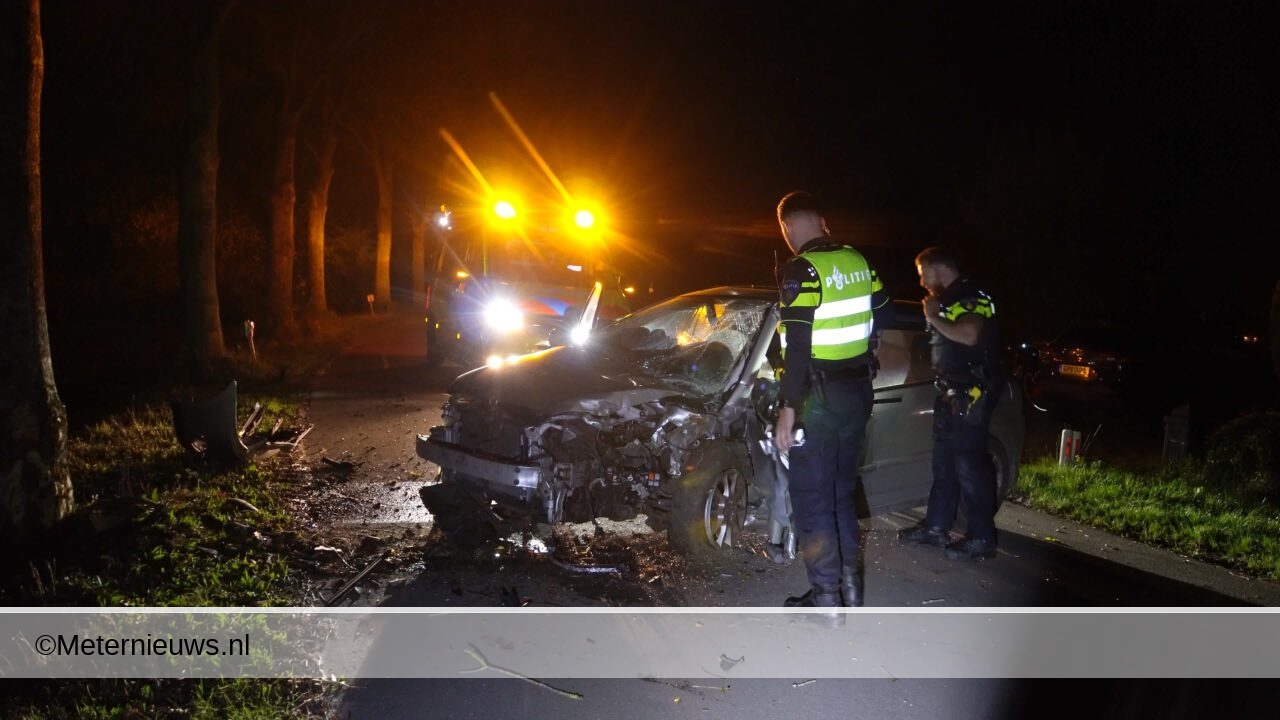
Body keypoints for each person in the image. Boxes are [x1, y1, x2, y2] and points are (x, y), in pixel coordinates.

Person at [772, 190, 890, 619]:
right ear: (822, 220)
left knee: (812, 499)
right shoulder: (859, 262)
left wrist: (788, 407)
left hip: (817, 399)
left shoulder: (801, 269)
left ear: (787, 227)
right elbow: (883, 309)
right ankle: (849, 593)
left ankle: (826, 599)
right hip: (857, 393)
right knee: (841, 494)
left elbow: (798, 346)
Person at [898, 246, 1006, 560]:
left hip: (972, 394)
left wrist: (933, 316)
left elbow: (970, 335)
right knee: (944, 466)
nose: (921, 282)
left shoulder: (971, 296)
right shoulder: (948, 299)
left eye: (923, 274)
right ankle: (936, 529)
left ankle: (981, 539)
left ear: (937, 268)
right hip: (950, 393)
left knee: (970, 468)